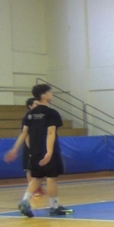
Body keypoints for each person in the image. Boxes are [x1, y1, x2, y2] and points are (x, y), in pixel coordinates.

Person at [4, 84, 73, 217]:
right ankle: (54, 207)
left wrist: (14, 149)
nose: (51, 95)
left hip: (34, 151)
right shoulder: (51, 113)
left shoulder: (30, 114)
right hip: (48, 150)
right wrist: (49, 152)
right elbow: (51, 133)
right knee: (51, 178)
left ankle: (25, 201)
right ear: (43, 95)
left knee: (37, 177)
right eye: (49, 92)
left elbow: (24, 133)